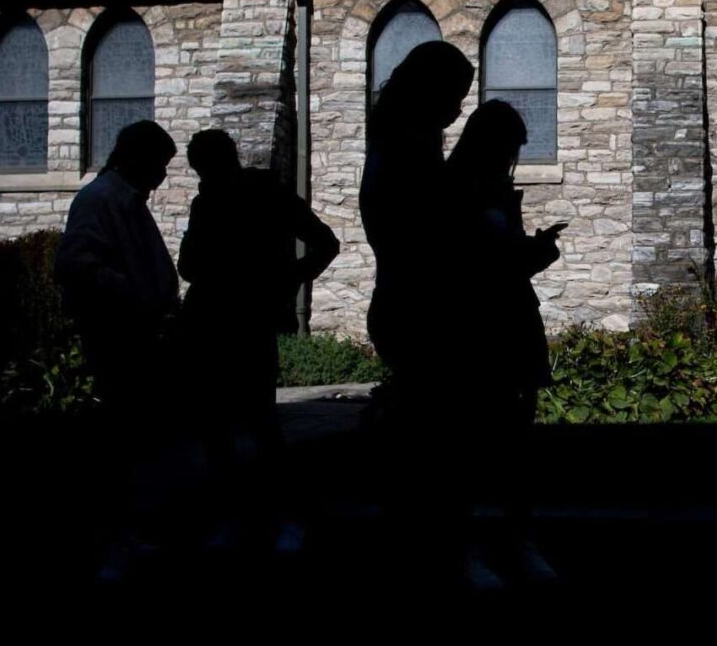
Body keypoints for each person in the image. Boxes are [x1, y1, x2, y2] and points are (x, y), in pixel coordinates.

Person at [179, 130, 339, 550]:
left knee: (232, 424)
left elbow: (190, 266)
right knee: (249, 422)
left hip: (227, 323)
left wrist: (284, 280)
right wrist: (285, 281)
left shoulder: (223, 200)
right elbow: (325, 244)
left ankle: (253, 514)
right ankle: (255, 513)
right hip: (238, 323)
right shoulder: (264, 194)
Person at [442, 99, 566, 587]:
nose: (513, 159)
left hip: (511, 325)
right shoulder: (457, 192)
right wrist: (532, 252)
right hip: (479, 330)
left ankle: (516, 538)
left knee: (516, 445)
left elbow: (504, 257)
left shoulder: (491, 190)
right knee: (469, 444)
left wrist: (532, 249)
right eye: (510, 148)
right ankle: (465, 547)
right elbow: (476, 264)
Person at [360, 40, 475, 377]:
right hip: (414, 307)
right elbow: (426, 228)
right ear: (430, 91)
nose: (456, 112)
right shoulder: (405, 153)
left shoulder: (393, 145)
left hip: (401, 300)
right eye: (454, 97)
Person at [55, 119, 180, 418]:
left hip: (139, 336)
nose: (162, 175)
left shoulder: (126, 199)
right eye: (160, 164)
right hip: (121, 339)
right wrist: (137, 297)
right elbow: (77, 265)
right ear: (138, 159)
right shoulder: (100, 199)